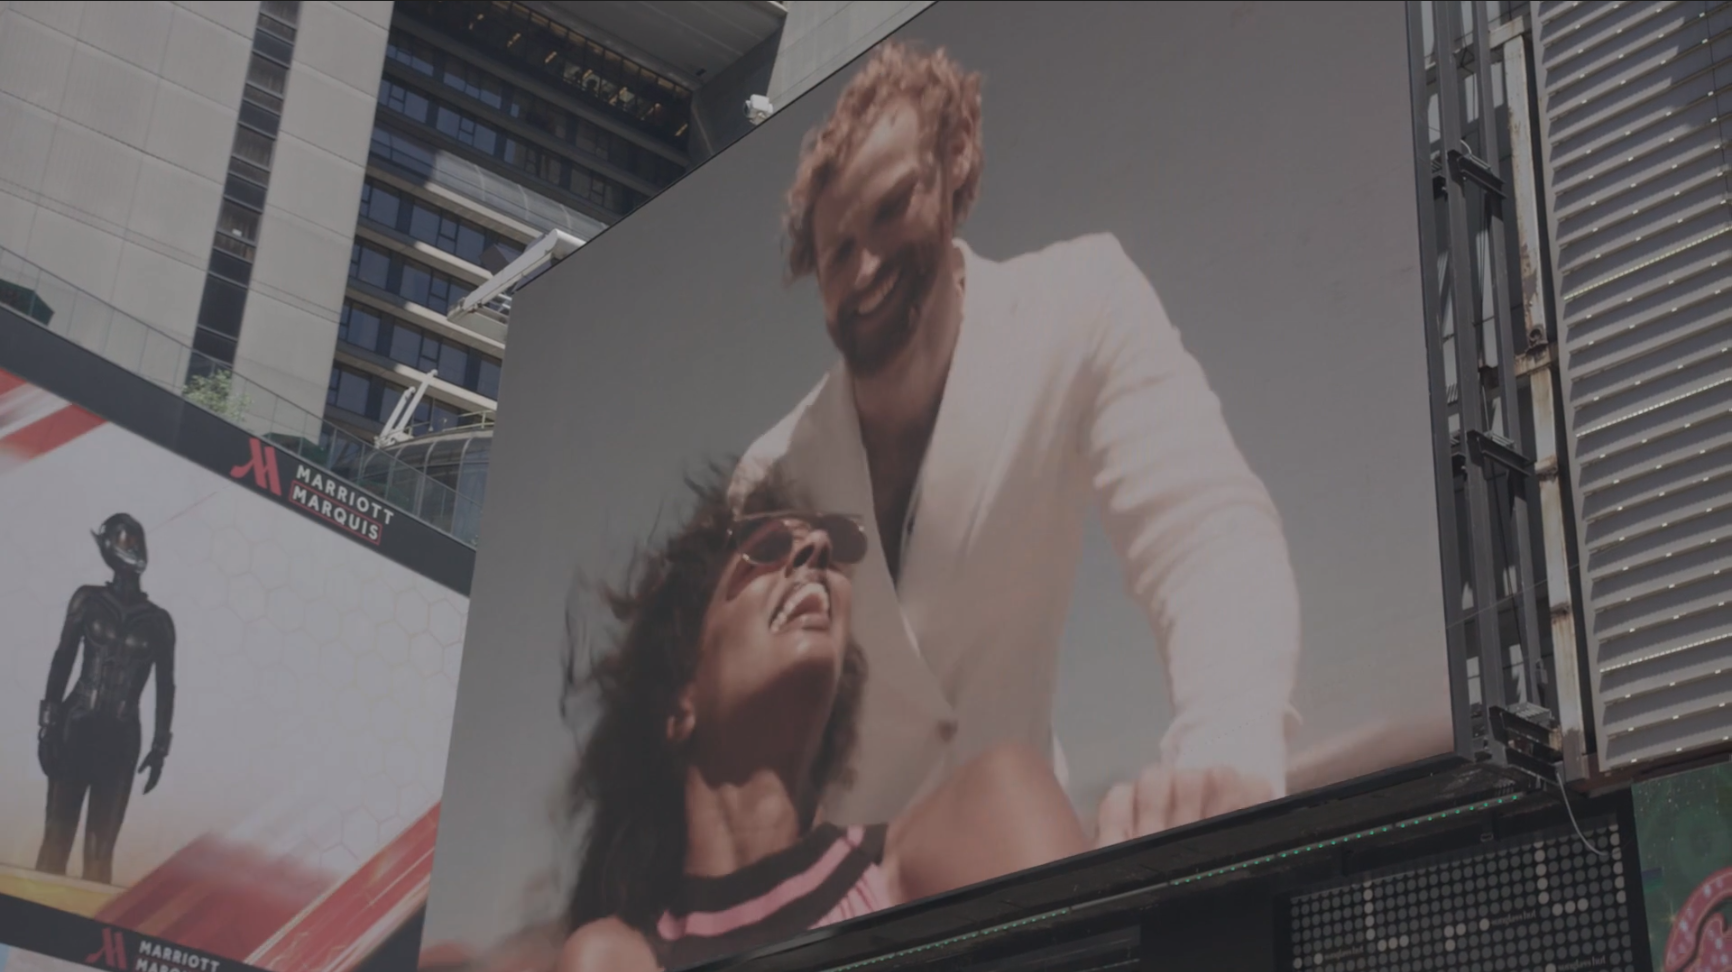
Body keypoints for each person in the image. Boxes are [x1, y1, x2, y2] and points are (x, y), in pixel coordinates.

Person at [732, 40, 1303, 847]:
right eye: (837, 255)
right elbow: (729, 734)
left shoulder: (1080, 302)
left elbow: (1205, 530)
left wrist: (1227, 749)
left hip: (1022, 889)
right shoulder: (771, 474)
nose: (864, 271)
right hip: (834, 930)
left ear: (956, 161)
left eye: (892, 207)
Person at [555, 466, 1086, 972]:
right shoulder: (614, 959)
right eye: (763, 551)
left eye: (828, 553)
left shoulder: (980, 824)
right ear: (679, 706)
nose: (817, 548)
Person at [37, 513, 176, 885]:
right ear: (109, 550)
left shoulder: (159, 622)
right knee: (56, 839)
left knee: (100, 855)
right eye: (125, 542)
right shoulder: (87, 600)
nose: (133, 550)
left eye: (137, 542)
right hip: (75, 727)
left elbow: (166, 686)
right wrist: (47, 727)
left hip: (121, 740)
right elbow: (62, 661)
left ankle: (82, 939)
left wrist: (161, 746)